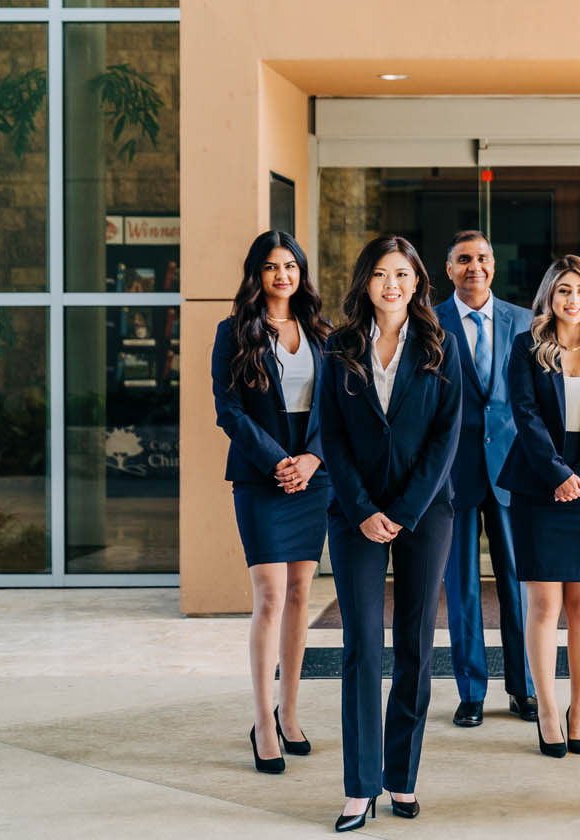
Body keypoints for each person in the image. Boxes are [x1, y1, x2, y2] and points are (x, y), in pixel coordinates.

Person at [319, 236, 461, 832]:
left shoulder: (440, 346)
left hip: (424, 514)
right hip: (354, 516)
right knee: (360, 649)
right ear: (365, 283)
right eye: (380, 274)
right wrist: (362, 509)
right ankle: (360, 787)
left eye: (401, 274)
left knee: (413, 648)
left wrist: (402, 510)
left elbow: (446, 436)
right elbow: (333, 436)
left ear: (417, 282)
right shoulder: (341, 346)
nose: (391, 285)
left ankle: (401, 777)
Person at [497, 255, 580, 758]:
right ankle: (547, 709)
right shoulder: (527, 346)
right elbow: (525, 415)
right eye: (563, 291)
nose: (573, 300)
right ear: (548, 297)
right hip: (538, 485)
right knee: (544, 605)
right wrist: (557, 474)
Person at [210, 230, 331, 775]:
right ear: (256, 273)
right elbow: (228, 410)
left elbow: (342, 409)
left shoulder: (325, 333)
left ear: (301, 273)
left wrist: (310, 460)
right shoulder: (233, 333)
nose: (282, 275)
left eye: (291, 265)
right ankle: (262, 719)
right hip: (263, 478)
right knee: (270, 595)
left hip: (313, 476)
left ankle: (291, 712)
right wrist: (278, 461)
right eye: (271, 266)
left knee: (302, 594)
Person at [434, 230, 537, 727]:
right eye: (463, 260)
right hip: (452, 473)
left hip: (513, 471)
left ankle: (524, 688)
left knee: (518, 582)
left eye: (482, 259)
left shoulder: (523, 321)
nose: (474, 267)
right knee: (462, 587)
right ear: (448, 268)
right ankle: (471, 691)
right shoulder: (430, 322)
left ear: (493, 266)